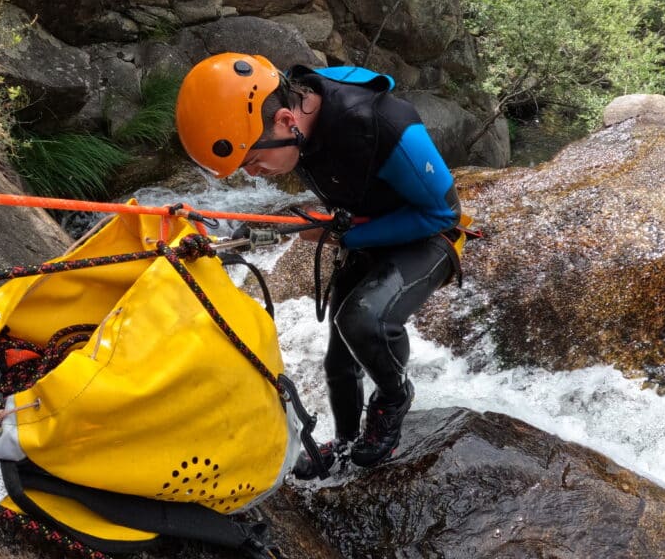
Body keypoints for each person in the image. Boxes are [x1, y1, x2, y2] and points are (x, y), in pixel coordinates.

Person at [175, 53, 462, 477]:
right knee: (339, 359)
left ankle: (393, 398)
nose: (256, 174)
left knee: (364, 321)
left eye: (254, 161)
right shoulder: (299, 115)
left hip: (426, 236)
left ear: (286, 120)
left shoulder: (385, 125)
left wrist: (343, 235)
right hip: (366, 228)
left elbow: (444, 213)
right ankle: (346, 445)